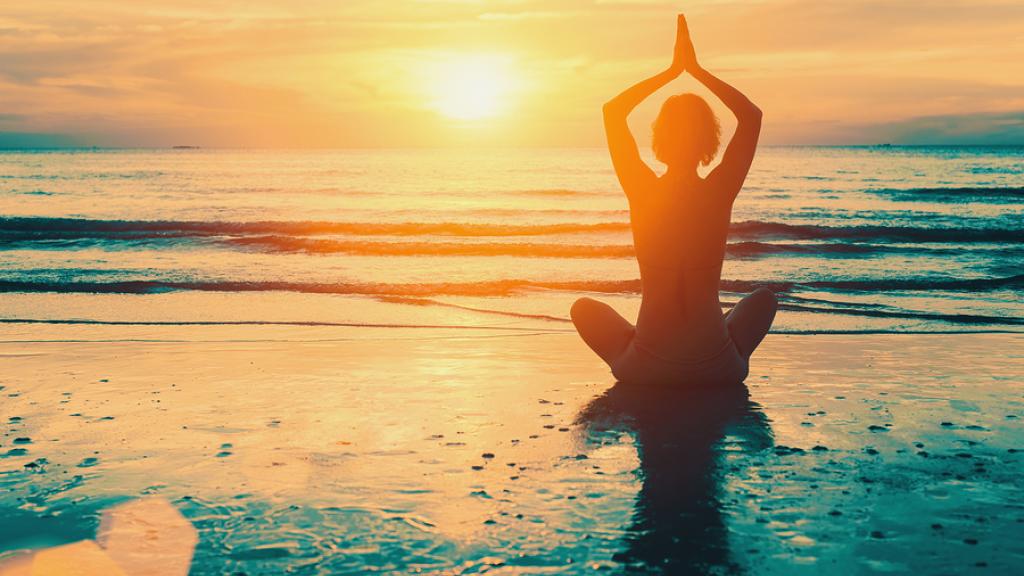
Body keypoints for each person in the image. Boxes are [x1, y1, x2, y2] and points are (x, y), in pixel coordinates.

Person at [570, 14, 777, 386]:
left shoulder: (641, 188)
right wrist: (695, 71)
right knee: (765, 299)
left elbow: (612, 112)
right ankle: (702, 340)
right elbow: (751, 115)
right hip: (716, 368)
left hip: (645, 367)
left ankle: (644, 338)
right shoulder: (719, 190)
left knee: (582, 309)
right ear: (709, 142)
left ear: (659, 138)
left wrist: (671, 71)